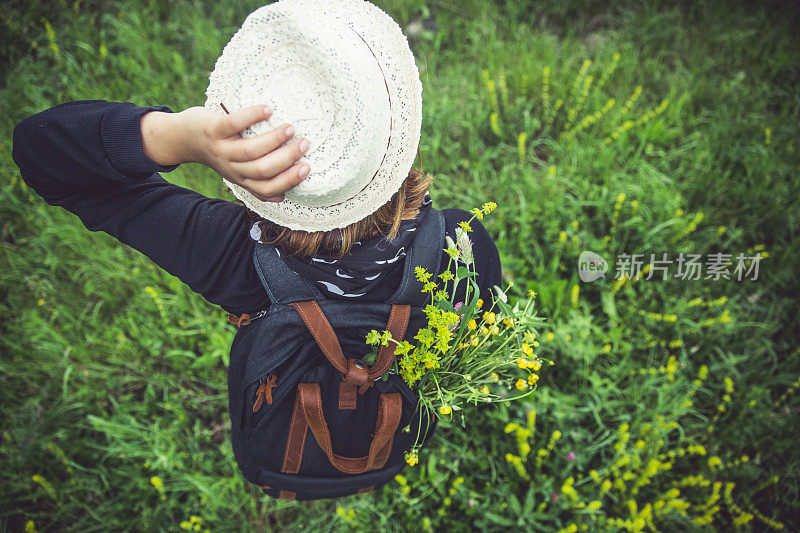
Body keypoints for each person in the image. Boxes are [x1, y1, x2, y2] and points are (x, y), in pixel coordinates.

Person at [11, 100, 502, 323]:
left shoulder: (228, 256)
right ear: (399, 141)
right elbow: (483, 331)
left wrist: (180, 137)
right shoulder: (462, 244)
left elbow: (40, 151)